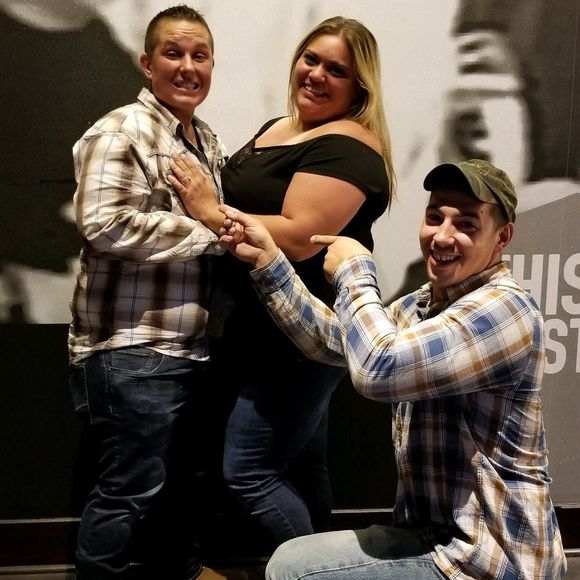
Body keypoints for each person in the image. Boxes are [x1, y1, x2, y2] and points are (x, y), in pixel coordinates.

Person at [217, 158, 567, 579]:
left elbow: (379, 368)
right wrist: (269, 261)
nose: (442, 236)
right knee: (295, 558)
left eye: (466, 224)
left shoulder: (505, 309)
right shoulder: (424, 305)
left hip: (491, 560)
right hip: (434, 538)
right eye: (434, 217)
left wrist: (354, 270)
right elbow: (336, 342)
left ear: (502, 237)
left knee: (293, 568)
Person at [168, 16, 395, 547]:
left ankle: (315, 573)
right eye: (310, 59)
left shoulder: (351, 146)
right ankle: (326, 562)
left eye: (336, 70)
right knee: (302, 464)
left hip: (299, 337)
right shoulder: (282, 126)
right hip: (259, 329)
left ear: (359, 87)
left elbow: (298, 235)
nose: (316, 75)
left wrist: (209, 210)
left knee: (249, 472)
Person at [67, 6, 239, 579]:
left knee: (174, 484)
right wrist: (211, 231)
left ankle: (180, 571)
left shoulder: (205, 138)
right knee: (128, 491)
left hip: (185, 347)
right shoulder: (120, 131)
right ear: (147, 63)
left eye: (200, 55)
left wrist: (215, 223)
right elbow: (104, 225)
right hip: (130, 348)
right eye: (173, 53)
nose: (188, 67)